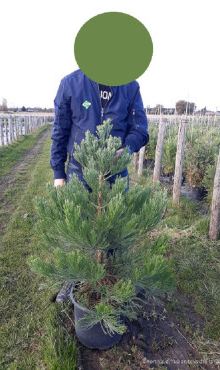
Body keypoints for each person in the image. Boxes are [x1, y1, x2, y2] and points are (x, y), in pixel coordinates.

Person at [50, 69, 149, 302]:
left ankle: (113, 278)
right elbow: (60, 130)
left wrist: (125, 150)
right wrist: (58, 172)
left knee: (116, 226)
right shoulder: (70, 84)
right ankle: (74, 278)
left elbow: (140, 129)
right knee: (78, 226)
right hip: (79, 168)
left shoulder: (130, 86)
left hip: (115, 172)